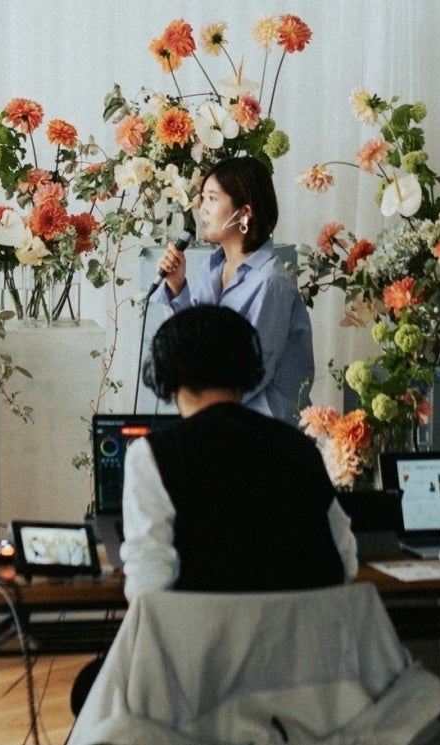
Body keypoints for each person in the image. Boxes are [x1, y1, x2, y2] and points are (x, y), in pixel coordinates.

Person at [120, 305, 358, 601]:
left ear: (163, 375)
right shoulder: (299, 447)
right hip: (300, 630)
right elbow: (345, 563)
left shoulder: (152, 455)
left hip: (203, 631)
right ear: (249, 369)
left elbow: (147, 586)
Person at [151, 156, 315, 425]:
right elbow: (190, 346)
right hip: (218, 420)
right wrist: (177, 287)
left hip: (263, 430)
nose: (202, 208)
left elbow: (251, 376)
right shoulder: (213, 267)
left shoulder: (270, 282)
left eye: (212, 198)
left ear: (244, 212)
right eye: (202, 198)